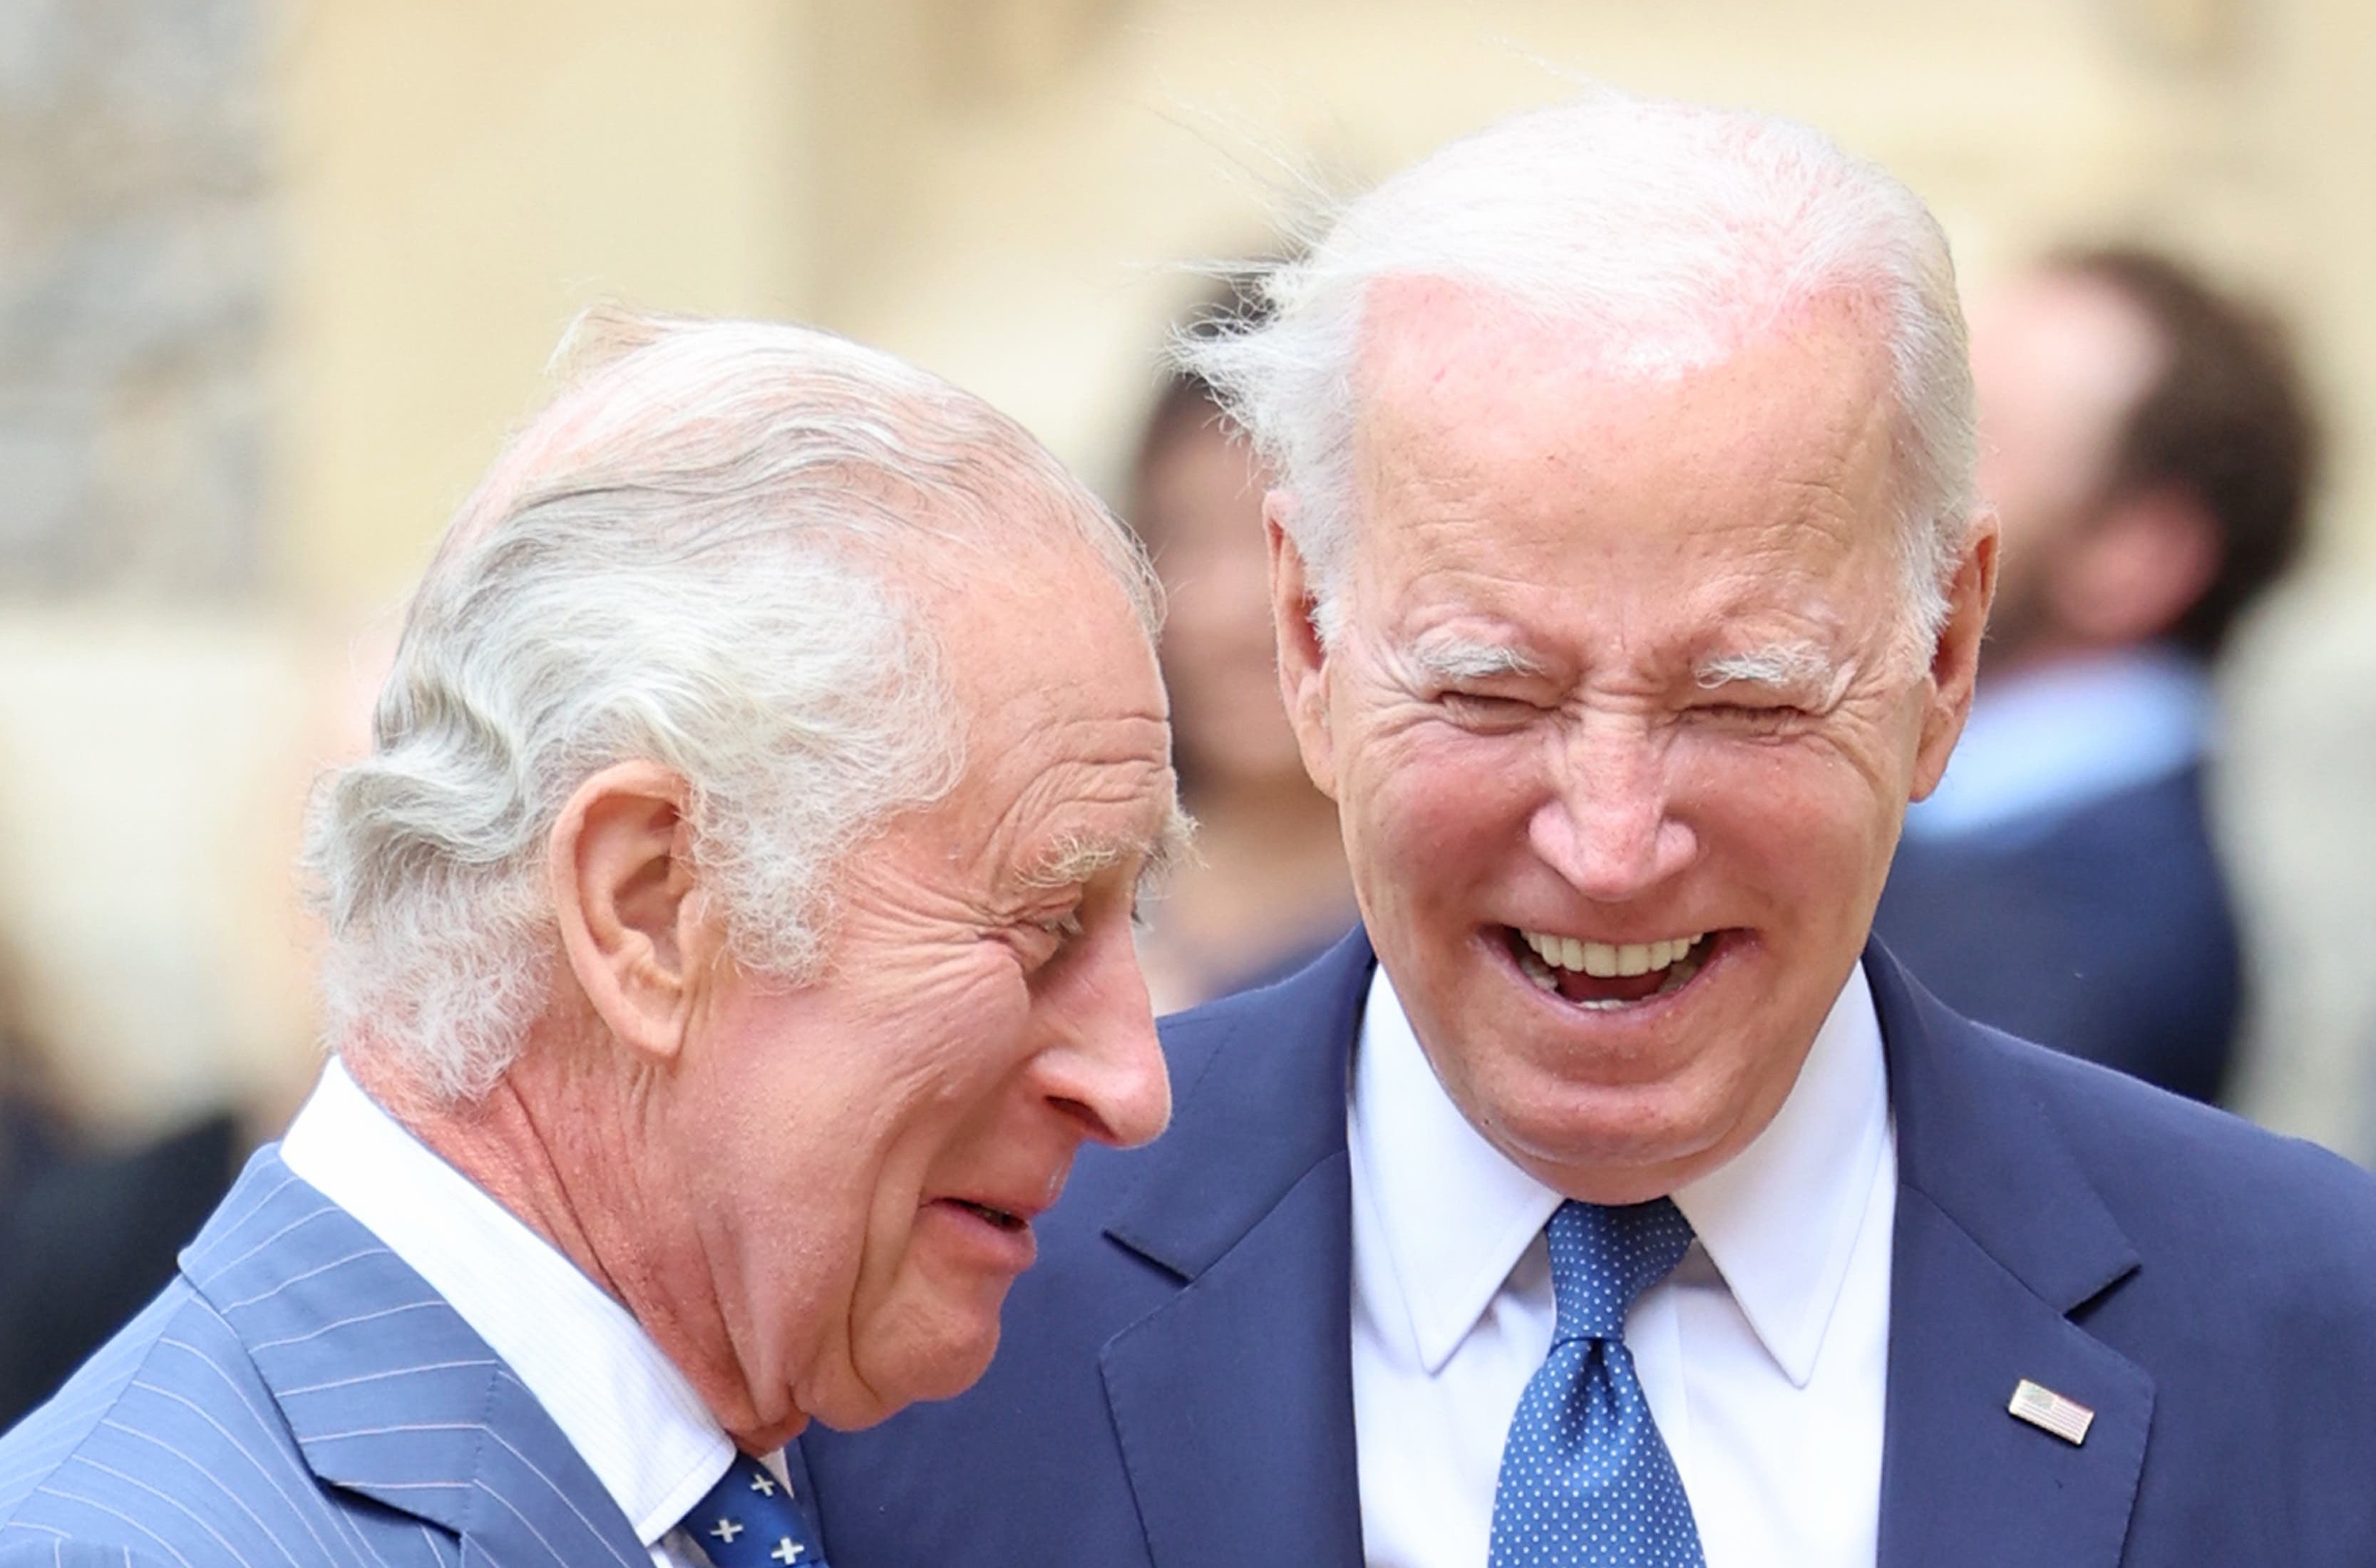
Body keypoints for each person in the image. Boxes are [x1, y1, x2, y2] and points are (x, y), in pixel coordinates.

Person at [797, 93, 2376, 1567]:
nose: (1611, 846)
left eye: (1743, 701)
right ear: (1308, 639)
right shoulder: (919, 1306)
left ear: (1942, 655)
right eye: (1490, 690)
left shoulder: (2312, 1328)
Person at [0, 311, 1183, 1566]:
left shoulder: (841, 1458)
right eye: (1042, 924)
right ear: (647, 905)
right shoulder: (140, 1540)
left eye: (1133, 915)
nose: (1135, 1082)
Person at [1875, 247, 2317, 1103]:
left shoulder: (2087, 941)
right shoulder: (1970, 841)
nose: (1886, 466)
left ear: (2135, 556)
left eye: (1968, 433)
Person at [1127, 282, 1354, 1011]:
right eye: (1187, 535)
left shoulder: (1434, 939)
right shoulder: (1073, 886)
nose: (1232, 608)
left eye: (1285, 544)